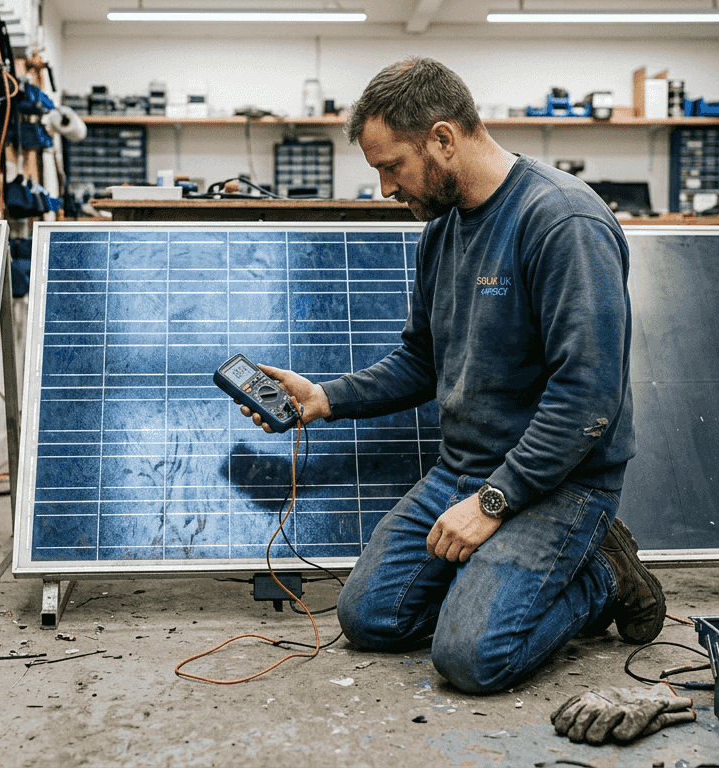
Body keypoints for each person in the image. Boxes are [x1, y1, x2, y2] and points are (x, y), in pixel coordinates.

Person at [237, 56, 665, 694]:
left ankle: (604, 576)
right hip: (462, 472)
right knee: (368, 618)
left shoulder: (562, 222)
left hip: (560, 485)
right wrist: (322, 398)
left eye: (391, 167)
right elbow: (422, 361)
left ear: (442, 138)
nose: (385, 188)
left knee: (469, 658)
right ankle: (499, 590)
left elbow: (589, 396)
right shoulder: (441, 232)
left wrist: (494, 504)